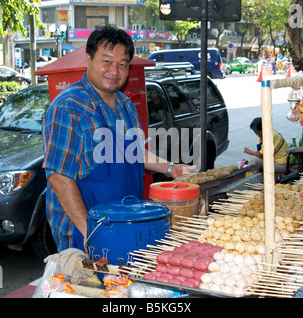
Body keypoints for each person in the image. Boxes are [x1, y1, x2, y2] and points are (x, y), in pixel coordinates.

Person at [42, 26, 195, 253]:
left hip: (126, 223)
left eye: (122, 64)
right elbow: (59, 176)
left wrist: (171, 168)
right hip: (83, 231)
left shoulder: (125, 105)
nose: (114, 70)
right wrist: (90, 232)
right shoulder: (69, 106)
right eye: (107, 61)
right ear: (88, 59)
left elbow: (133, 152)